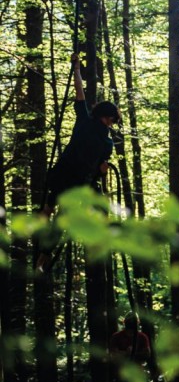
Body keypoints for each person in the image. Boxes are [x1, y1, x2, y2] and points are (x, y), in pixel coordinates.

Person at [37, 53, 119, 271]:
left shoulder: (99, 135)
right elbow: (80, 94)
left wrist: (76, 69)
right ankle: (42, 250)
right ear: (105, 116)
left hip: (68, 179)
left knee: (53, 212)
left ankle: (43, 253)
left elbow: (100, 168)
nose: (110, 123)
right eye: (110, 118)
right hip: (68, 178)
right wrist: (76, 70)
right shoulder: (97, 133)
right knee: (51, 212)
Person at [109, 313, 151, 382]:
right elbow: (114, 355)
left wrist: (131, 353)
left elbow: (147, 354)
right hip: (121, 374)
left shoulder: (142, 337)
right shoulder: (117, 336)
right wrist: (126, 353)